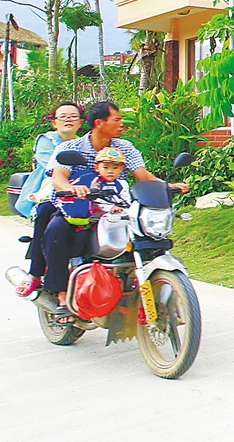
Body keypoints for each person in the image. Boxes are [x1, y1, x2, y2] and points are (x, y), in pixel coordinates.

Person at [41, 100, 188, 323]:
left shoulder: (125, 147)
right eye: (117, 119)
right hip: (78, 209)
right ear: (99, 123)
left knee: (146, 237)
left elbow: (143, 176)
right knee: (57, 231)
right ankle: (61, 296)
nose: (122, 124)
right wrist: (72, 188)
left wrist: (168, 185)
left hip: (117, 210)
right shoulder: (69, 148)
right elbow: (58, 176)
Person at [14, 102, 84, 298]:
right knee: (45, 213)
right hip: (51, 191)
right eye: (63, 116)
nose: (68, 120)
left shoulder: (84, 142)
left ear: (80, 122)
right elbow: (52, 166)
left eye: (73, 116)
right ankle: (35, 273)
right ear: (55, 122)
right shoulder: (47, 140)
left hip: (81, 191)